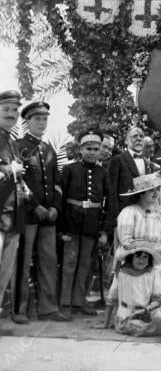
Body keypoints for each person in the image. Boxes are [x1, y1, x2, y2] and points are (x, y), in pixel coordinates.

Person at [13, 101, 68, 323]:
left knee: (48, 261)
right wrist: (34, 205)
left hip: (48, 217)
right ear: (27, 122)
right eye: (37, 119)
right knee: (23, 262)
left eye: (45, 119)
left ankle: (49, 308)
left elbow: (56, 183)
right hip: (28, 214)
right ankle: (19, 310)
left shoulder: (48, 150)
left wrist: (55, 207)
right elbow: (18, 182)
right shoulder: (19, 146)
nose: (42, 123)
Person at [58, 131, 115, 317]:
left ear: (100, 151)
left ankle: (79, 301)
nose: (92, 152)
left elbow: (110, 202)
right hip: (71, 224)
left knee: (85, 264)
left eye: (96, 149)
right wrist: (62, 228)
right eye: (88, 148)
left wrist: (105, 230)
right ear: (80, 149)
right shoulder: (69, 170)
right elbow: (61, 199)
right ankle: (64, 302)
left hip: (92, 225)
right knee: (69, 262)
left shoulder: (103, 173)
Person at [115, 173, 161, 283]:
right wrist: (151, 250)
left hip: (160, 254)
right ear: (141, 194)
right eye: (151, 190)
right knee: (158, 269)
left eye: (157, 189)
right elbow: (126, 241)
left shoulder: (159, 211)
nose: (156, 193)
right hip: (136, 255)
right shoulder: (129, 212)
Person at [0, 90, 27, 316]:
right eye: (6, 109)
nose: (11, 114)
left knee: (5, 271)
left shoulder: (12, 143)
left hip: (13, 217)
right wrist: (10, 170)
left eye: (14, 110)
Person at [104, 246, 161, 337]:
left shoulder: (152, 273)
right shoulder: (121, 273)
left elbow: (157, 299)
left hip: (145, 314)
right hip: (125, 317)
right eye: (138, 257)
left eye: (145, 257)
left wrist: (150, 307)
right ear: (131, 258)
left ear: (149, 259)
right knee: (137, 326)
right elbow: (111, 300)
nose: (141, 260)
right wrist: (105, 324)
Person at [109, 126, 157, 213]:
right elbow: (112, 193)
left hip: (145, 213)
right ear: (126, 140)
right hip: (124, 213)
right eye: (135, 136)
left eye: (141, 136)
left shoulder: (149, 164)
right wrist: (114, 219)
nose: (138, 139)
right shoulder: (117, 160)